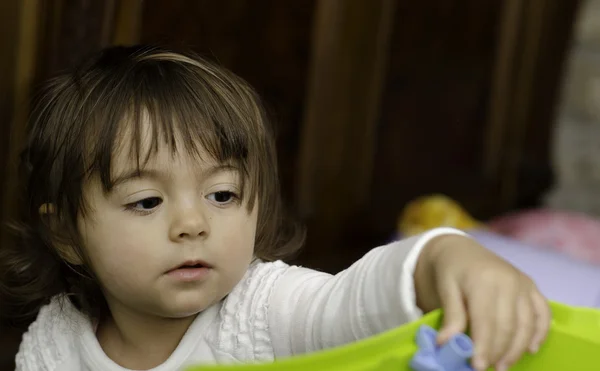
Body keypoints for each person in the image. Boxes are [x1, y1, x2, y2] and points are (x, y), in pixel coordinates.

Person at [0, 45, 550, 371]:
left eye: (222, 195)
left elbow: (357, 300)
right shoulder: (56, 344)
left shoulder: (262, 310)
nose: (193, 224)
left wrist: (445, 258)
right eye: (146, 201)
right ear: (67, 233)